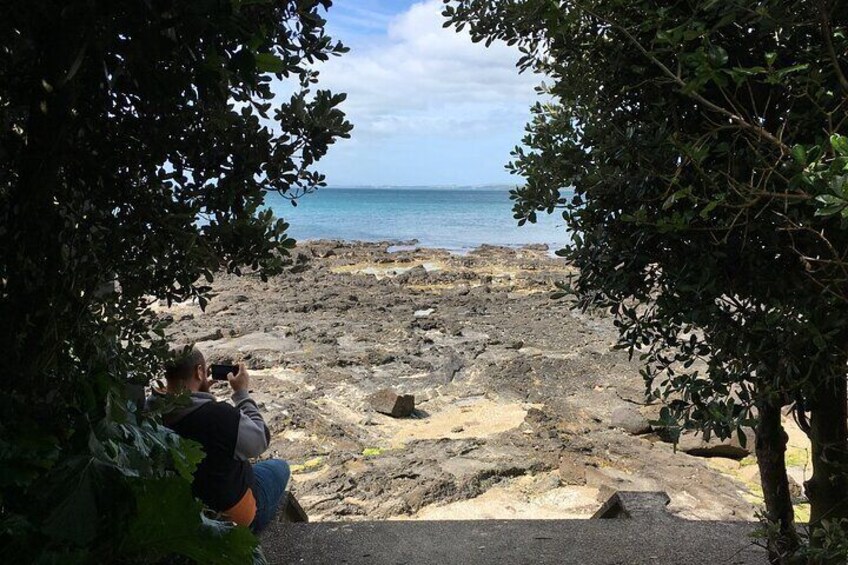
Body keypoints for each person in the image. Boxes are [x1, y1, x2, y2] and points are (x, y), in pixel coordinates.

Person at [148, 346, 290, 533]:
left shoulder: (149, 411)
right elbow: (260, 439)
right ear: (199, 372)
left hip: (179, 512)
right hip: (230, 520)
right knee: (280, 467)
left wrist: (203, 394)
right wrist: (241, 394)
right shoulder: (219, 417)